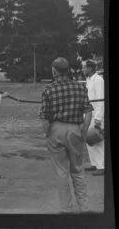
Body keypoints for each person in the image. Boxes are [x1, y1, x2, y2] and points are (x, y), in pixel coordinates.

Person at [38, 57, 93, 213]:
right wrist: (83, 130)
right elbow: (88, 111)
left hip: (56, 130)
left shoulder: (48, 89)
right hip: (75, 129)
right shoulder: (80, 87)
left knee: (61, 172)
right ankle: (84, 207)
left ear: (54, 70)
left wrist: (48, 134)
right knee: (78, 170)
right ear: (68, 70)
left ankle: (66, 209)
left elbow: (44, 117)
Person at [82, 60, 104, 176]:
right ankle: (94, 163)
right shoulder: (89, 80)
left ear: (90, 68)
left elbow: (101, 99)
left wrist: (99, 117)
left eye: (84, 67)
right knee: (89, 139)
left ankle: (102, 166)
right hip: (88, 114)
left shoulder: (99, 80)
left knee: (97, 139)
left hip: (96, 115)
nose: (82, 69)